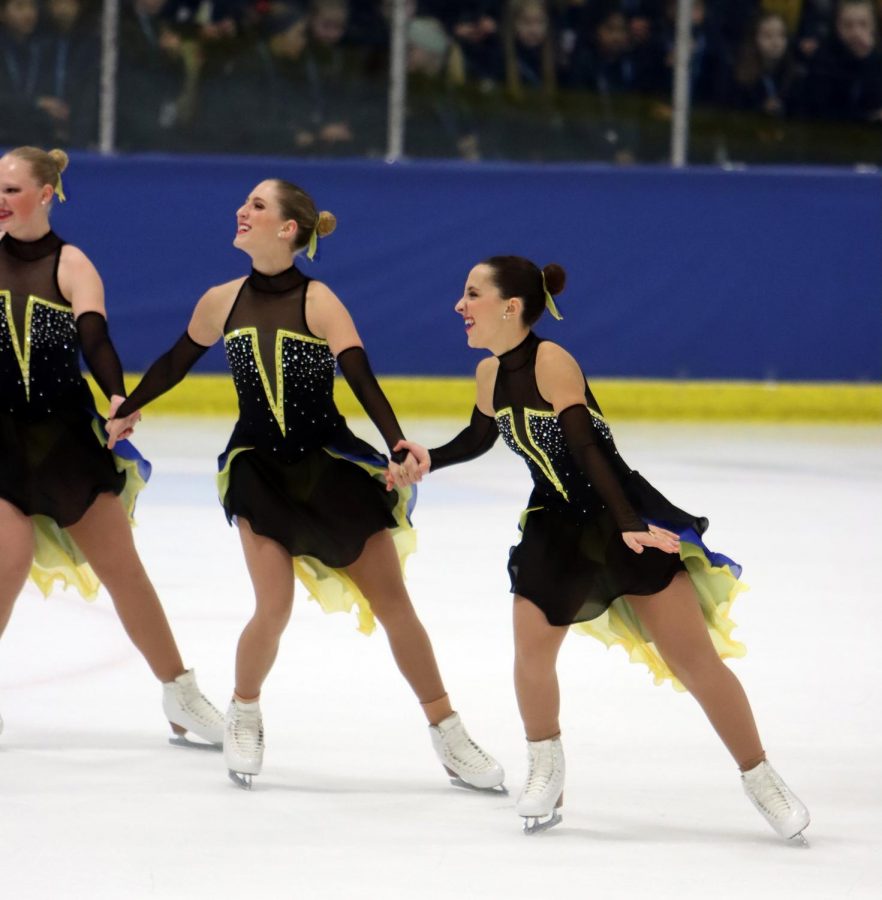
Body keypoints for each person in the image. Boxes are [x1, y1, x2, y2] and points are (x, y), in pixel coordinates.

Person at [393, 255, 810, 841]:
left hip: (618, 512)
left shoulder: (553, 361)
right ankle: (547, 769)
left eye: (471, 295)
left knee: (693, 661)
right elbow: (482, 433)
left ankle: (761, 776)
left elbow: (589, 451)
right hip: (553, 526)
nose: (460, 307)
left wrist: (628, 525)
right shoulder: (489, 373)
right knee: (531, 653)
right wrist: (431, 457)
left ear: (510, 306)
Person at [106, 178, 504, 792]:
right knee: (274, 605)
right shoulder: (221, 300)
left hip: (329, 466)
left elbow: (362, 378)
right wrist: (129, 405)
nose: (241, 211)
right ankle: (243, 710)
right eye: (244, 203)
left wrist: (397, 442)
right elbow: (174, 362)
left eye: (257, 206)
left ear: (288, 229)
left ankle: (449, 734)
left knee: (394, 604)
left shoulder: (320, 301)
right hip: (257, 470)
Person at [0, 146, 223, 747]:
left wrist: (118, 395)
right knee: (6, 561)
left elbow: (94, 339)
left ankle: (180, 694)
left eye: (12, 189)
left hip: (67, 441)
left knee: (124, 572)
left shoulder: (72, 265)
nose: (0, 199)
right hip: (1, 443)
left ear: (46, 194)